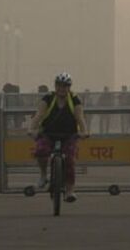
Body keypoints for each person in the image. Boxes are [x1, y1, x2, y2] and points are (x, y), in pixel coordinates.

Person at [27, 72, 89, 203]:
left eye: (65, 86)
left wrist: (84, 132)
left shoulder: (75, 100)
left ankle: (70, 191)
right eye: (60, 85)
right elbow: (38, 116)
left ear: (69, 87)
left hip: (69, 135)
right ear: (55, 86)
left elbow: (80, 118)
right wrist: (31, 129)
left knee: (70, 160)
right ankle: (44, 175)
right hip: (48, 133)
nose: (62, 88)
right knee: (41, 151)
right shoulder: (48, 99)